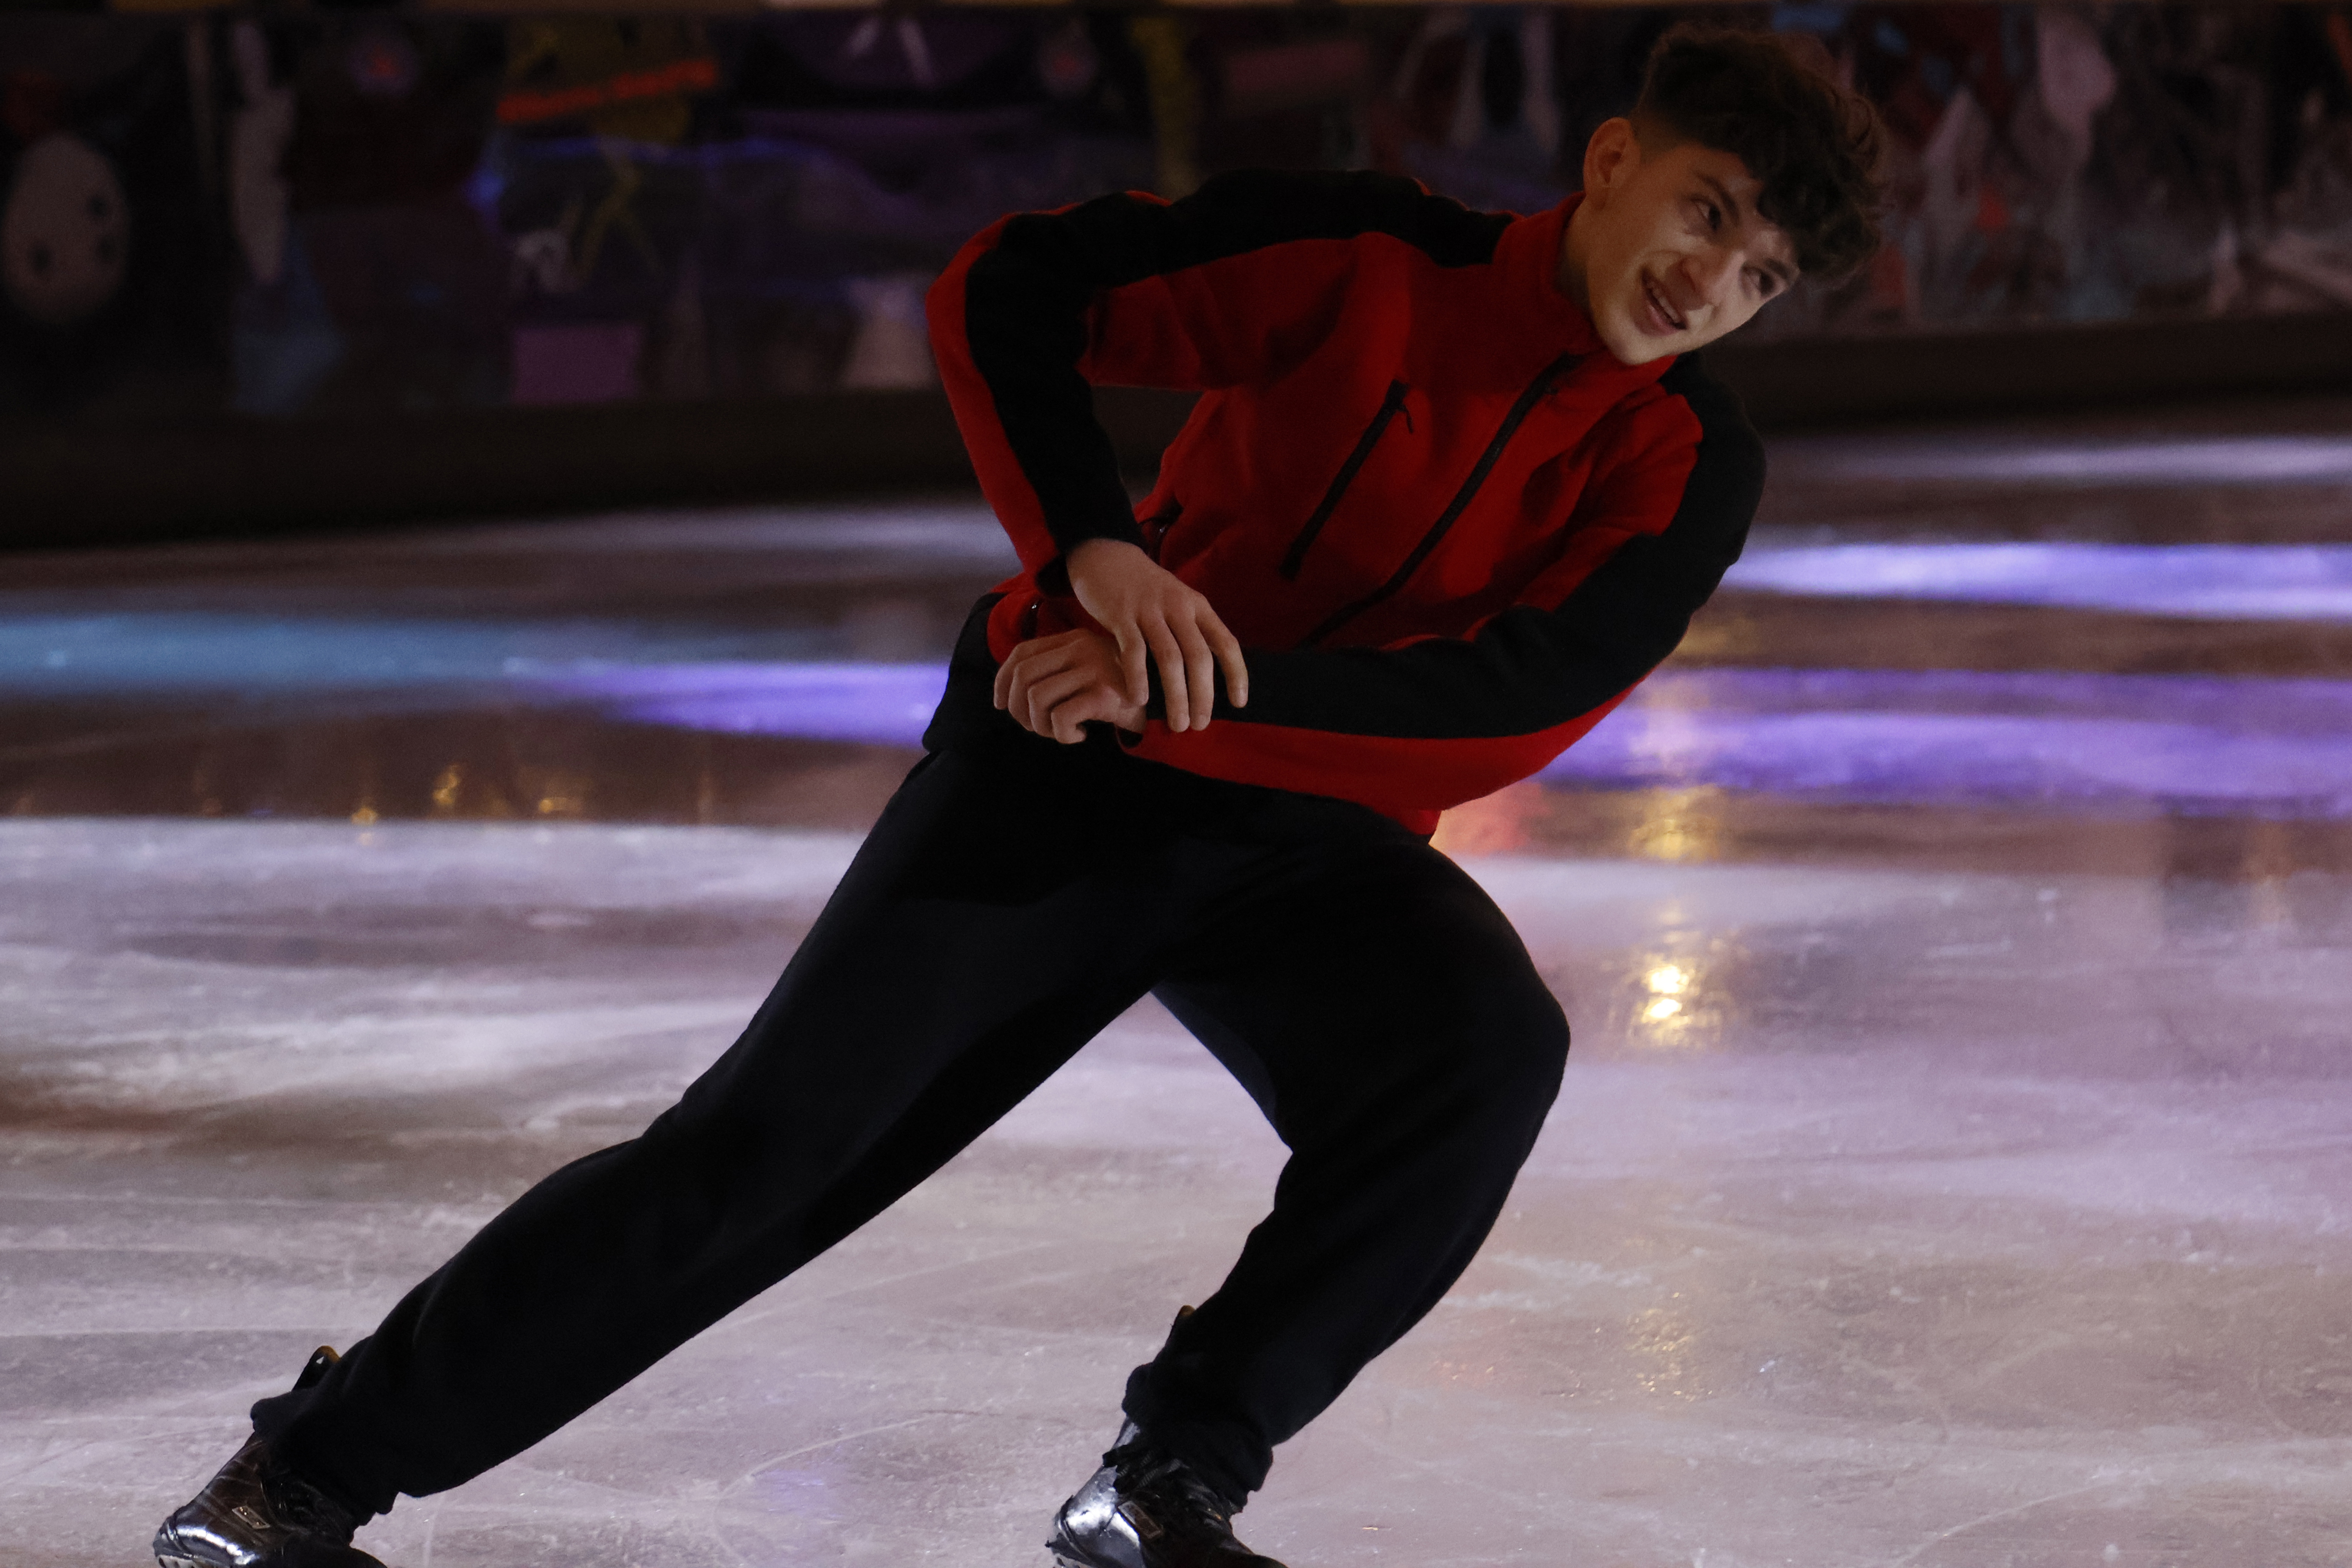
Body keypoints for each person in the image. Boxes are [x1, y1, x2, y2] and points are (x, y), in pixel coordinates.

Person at [154, 23, 1880, 1568]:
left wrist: (1188, 692)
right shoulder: (1368, 251)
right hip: (1057, 770)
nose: (1712, 279)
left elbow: (1516, 701)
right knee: (756, 1162)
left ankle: (1171, 1481)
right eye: (1708, 210)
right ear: (1611, 163)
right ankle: (294, 1479)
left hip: (1291, 822)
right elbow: (1010, 287)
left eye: (1763, 274)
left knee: (1481, 1053)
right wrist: (1094, 551)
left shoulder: (1686, 458)